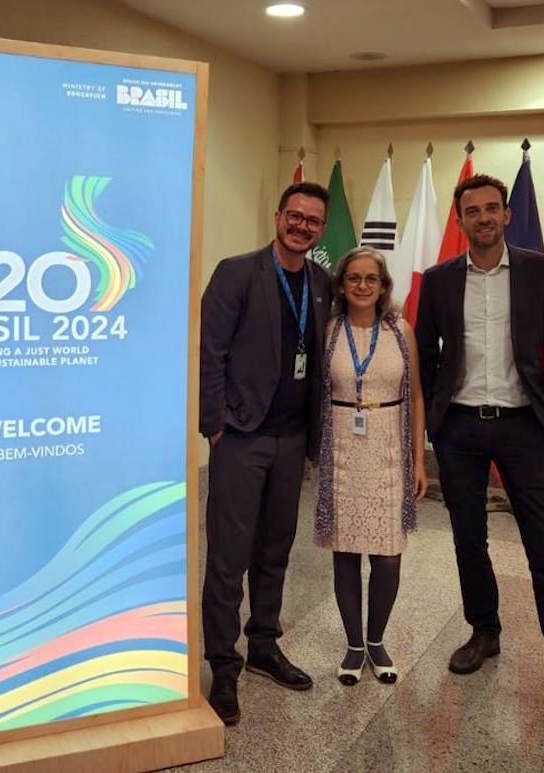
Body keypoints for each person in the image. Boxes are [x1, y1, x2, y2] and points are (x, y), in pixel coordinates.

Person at [414, 173, 544, 728]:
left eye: (491, 209)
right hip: (460, 433)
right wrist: (437, 421)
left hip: (523, 427)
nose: (482, 218)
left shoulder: (543, 272)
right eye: (471, 210)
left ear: (506, 215)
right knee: (468, 540)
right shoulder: (438, 280)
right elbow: (425, 354)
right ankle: (485, 630)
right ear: (459, 221)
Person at [199, 181, 333, 725]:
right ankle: (223, 667)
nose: (302, 226)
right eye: (295, 216)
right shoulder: (237, 272)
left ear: (321, 230)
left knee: (276, 550)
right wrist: (214, 427)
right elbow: (208, 351)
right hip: (241, 437)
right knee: (229, 559)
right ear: (278, 217)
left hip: (293, 440)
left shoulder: (323, 284)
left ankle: (264, 647)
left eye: (313, 221)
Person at [314, 247, 427, 686]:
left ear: (383, 287)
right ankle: (354, 645)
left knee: (387, 558)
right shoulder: (329, 330)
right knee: (345, 553)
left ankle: (377, 640)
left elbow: (416, 396)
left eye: (371, 279)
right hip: (342, 450)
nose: (363, 285)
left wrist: (418, 460)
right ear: (342, 285)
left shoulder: (401, 330)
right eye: (354, 278)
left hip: (387, 451)